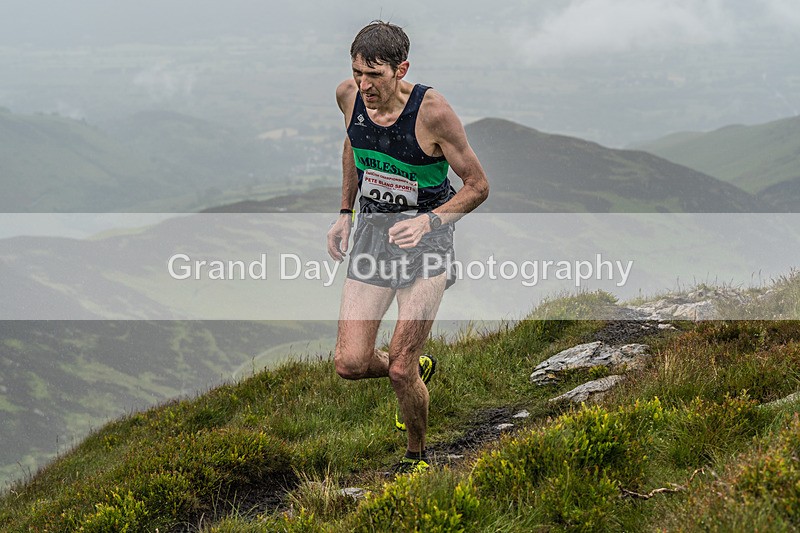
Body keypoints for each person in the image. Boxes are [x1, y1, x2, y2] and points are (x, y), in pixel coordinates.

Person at [327, 20, 489, 474]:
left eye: (374, 75)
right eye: (358, 72)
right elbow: (353, 145)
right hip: (374, 235)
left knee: (400, 369)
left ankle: (417, 457)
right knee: (350, 363)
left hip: (428, 240)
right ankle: (420, 369)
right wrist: (345, 213)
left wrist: (429, 222)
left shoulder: (432, 113)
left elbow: (478, 186)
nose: (364, 85)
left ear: (402, 69)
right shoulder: (348, 96)